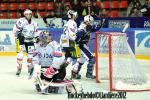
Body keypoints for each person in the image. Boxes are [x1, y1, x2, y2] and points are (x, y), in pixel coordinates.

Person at [71, 15, 102, 79]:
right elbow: (76, 38)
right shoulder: (82, 28)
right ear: (87, 21)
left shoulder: (87, 26)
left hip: (82, 46)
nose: (92, 23)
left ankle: (74, 74)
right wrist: (81, 40)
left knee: (81, 61)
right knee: (92, 59)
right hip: (81, 46)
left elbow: (94, 29)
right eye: (91, 22)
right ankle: (89, 74)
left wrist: (100, 25)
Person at [12, 9, 38, 78]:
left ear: (31, 14)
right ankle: (19, 67)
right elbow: (15, 30)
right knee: (20, 54)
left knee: (30, 55)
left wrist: (36, 39)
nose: (28, 15)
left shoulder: (34, 23)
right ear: (24, 14)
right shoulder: (20, 21)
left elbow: (36, 32)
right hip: (21, 40)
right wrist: (19, 34)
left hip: (30, 40)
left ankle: (29, 68)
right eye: (26, 14)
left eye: (29, 14)